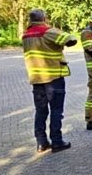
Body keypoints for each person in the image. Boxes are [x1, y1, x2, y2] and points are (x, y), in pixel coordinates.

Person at [22, 8, 77, 153]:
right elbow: (71, 39)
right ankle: (57, 141)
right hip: (53, 77)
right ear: (44, 18)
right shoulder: (47, 31)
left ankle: (41, 142)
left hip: (36, 78)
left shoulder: (26, 34)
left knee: (40, 111)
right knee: (56, 110)